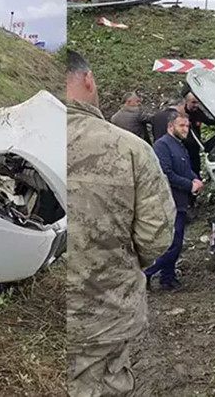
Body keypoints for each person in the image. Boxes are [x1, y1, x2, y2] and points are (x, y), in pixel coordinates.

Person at [66, 49, 175, 396]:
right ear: (88, 79)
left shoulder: (16, 137)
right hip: (102, 312)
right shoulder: (131, 149)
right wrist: (121, 264)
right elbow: (156, 234)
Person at [144, 110, 204, 291]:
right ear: (171, 126)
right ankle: (146, 274)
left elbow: (184, 168)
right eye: (182, 125)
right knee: (174, 243)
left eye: (187, 125)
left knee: (176, 243)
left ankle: (167, 278)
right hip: (169, 201)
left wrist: (195, 179)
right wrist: (189, 185)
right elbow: (165, 173)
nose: (186, 129)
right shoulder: (162, 146)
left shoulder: (179, 145)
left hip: (180, 201)